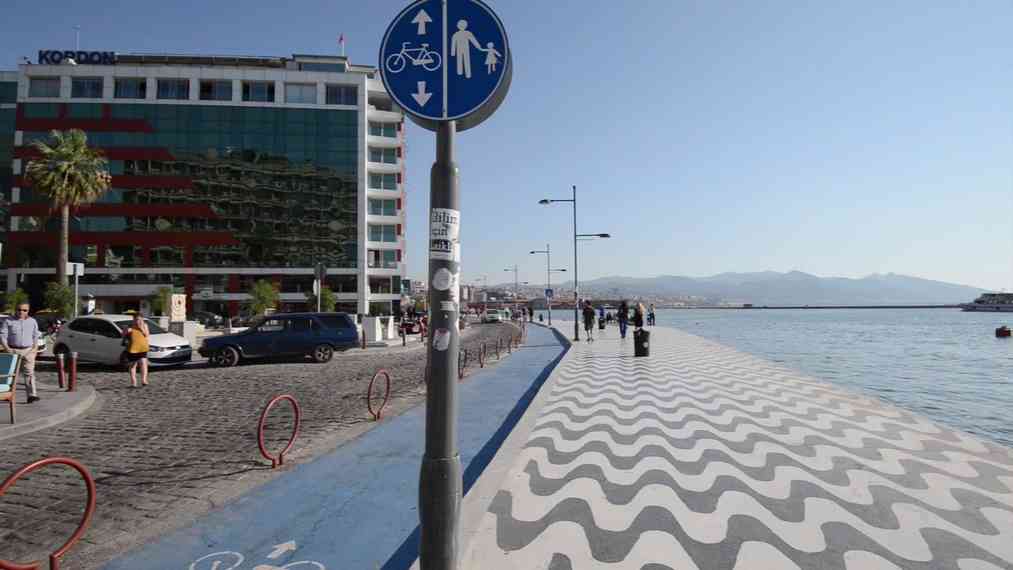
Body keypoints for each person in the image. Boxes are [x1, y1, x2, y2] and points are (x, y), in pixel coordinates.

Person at [1, 302, 40, 403]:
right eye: (19, 310)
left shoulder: (32, 321)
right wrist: (7, 349)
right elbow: (3, 336)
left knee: (29, 373)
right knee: (10, 374)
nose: (21, 312)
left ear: (28, 311)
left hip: (28, 350)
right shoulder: (8, 321)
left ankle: (31, 395)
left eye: (24, 310)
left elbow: (35, 335)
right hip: (12, 350)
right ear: (16, 310)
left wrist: (35, 349)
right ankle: (6, 394)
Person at [122, 313, 150, 388]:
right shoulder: (129, 326)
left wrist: (141, 328)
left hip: (142, 348)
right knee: (132, 365)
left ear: (142, 319)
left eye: (139, 319)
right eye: (135, 319)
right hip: (132, 348)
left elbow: (147, 335)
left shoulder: (144, 325)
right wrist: (126, 331)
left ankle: (144, 380)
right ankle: (133, 382)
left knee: (143, 363)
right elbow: (123, 336)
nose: (137, 321)